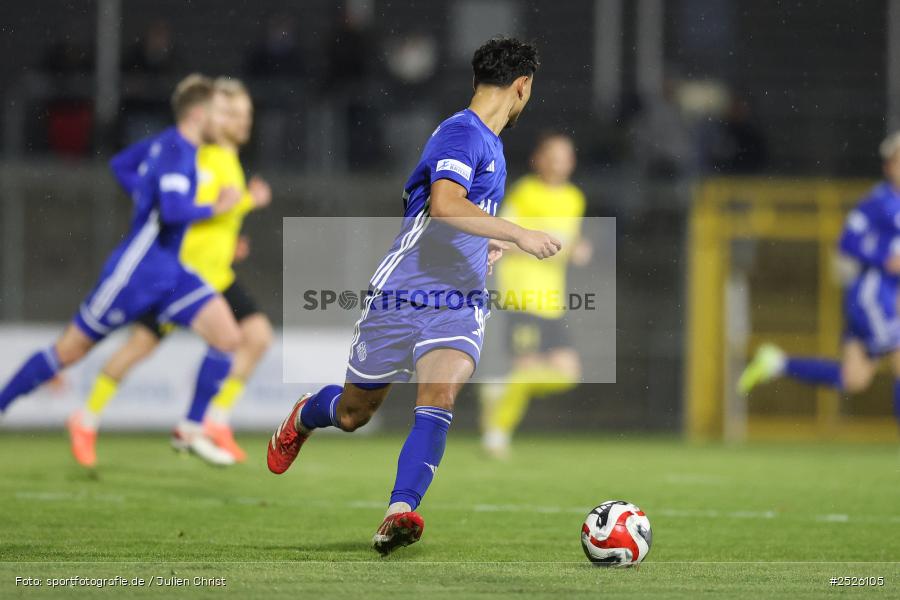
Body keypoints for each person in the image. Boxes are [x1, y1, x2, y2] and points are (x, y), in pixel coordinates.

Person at [266, 37, 559, 555]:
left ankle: (399, 510)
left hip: (459, 299)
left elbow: (451, 215)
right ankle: (307, 413)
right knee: (355, 413)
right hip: (402, 294)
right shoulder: (460, 134)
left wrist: (485, 239)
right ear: (522, 86)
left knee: (439, 395)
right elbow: (446, 204)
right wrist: (516, 233)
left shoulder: (490, 145)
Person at [0, 75, 243, 461]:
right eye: (218, 113)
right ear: (199, 114)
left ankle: (190, 428)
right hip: (135, 273)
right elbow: (174, 210)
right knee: (70, 350)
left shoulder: (169, 145)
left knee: (228, 337)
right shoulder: (177, 151)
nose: (224, 122)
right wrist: (217, 206)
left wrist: (143, 192)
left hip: (171, 272)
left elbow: (121, 165)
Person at [66, 78, 273, 468]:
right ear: (214, 114)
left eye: (246, 113)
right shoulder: (203, 156)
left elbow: (217, 215)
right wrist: (248, 200)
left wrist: (233, 241)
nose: (242, 121)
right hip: (182, 273)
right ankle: (87, 418)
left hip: (217, 273)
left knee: (256, 336)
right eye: (232, 112)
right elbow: (189, 209)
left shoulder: (229, 159)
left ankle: (212, 420)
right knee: (139, 348)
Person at [739, 131, 900, 428]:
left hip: (888, 299)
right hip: (872, 297)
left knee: (854, 378)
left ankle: (778, 362)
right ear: (888, 167)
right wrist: (884, 258)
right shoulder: (879, 202)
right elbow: (848, 242)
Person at [480, 132, 591, 458]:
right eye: (553, 154)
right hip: (522, 296)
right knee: (526, 368)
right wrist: (546, 247)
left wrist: (576, 249)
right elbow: (504, 237)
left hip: (551, 301)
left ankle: (500, 391)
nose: (560, 161)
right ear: (538, 159)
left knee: (567, 373)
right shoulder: (525, 192)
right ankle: (497, 434)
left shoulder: (574, 198)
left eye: (566, 155)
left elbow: (567, 242)